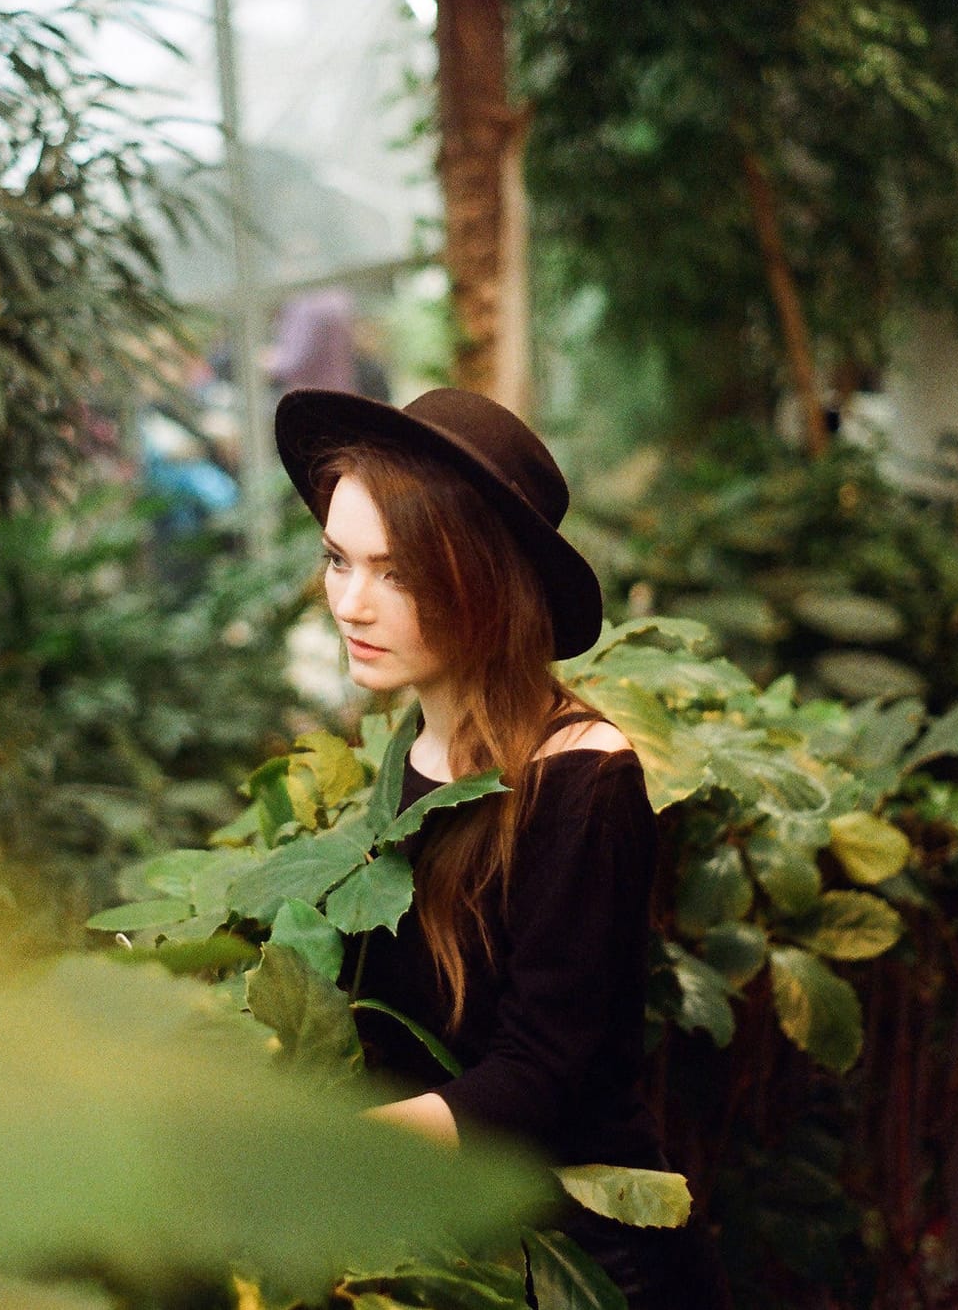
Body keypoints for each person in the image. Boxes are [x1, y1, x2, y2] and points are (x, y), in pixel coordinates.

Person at [272, 387, 732, 1309]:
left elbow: (543, 1074)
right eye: (337, 559)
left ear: (483, 580)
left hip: (571, 1257)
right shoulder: (413, 742)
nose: (351, 604)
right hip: (440, 1232)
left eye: (395, 573)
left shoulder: (583, 774)